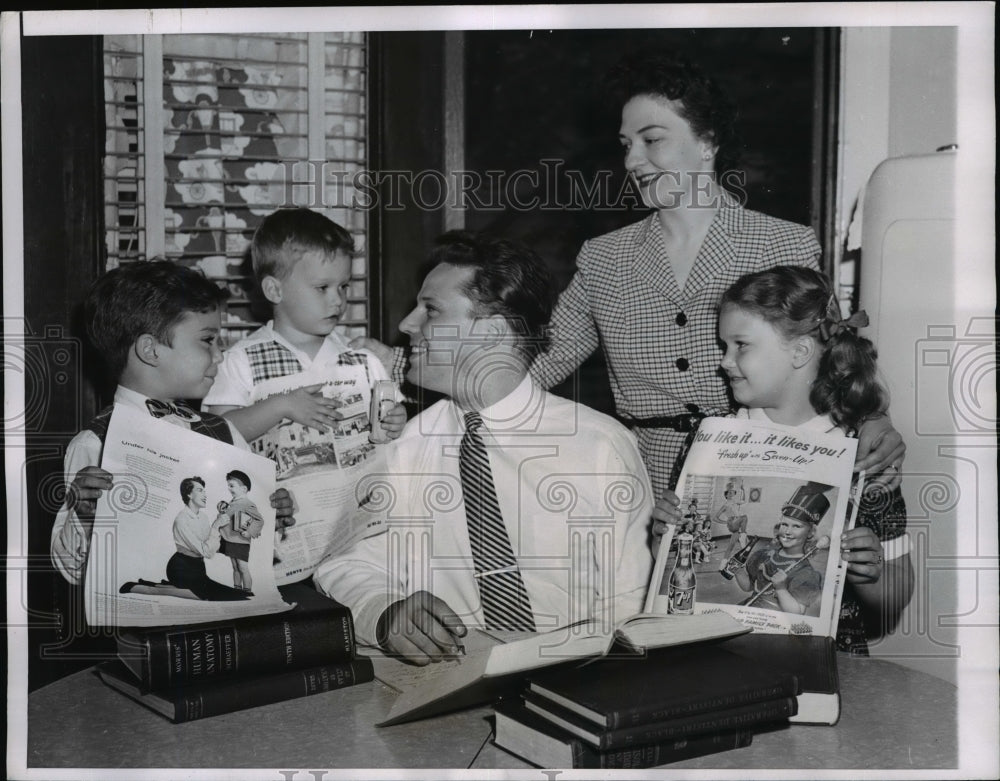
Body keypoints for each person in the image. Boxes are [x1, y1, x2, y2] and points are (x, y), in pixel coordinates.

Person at [351, 52, 905, 500]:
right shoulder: (604, 257)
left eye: (652, 138)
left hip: (758, 471)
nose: (633, 160)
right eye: (625, 145)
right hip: (640, 482)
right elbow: (538, 362)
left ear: (707, 143)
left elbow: (833, 358)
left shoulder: (784, 242)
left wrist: (874, 420)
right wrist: (399, 373)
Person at [313, 231, 654, 665]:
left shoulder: (600, 447)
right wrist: (385, 610)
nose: (407, 325)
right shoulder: (404, 448)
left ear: (491, 332)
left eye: (430, 310)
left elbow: (634, 602)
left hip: (581, 682)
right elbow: (344, 561)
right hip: (448, 685)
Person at [653, 265, 915, 654]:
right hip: (716, 657)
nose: (724, 361)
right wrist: (663, 539)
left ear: (800, 352)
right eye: (724, 346)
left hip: (826, 661)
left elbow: (899, 591)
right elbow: (671, 564)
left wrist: (871, 573)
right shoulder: (706, 438)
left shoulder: (864, 455)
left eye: (740, 345)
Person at [50, 260, 294, 587]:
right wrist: (81, 514)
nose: (220, 355)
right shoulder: (94, 444)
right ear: (150, 350)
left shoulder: (223, 432)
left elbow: (246, 537)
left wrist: (271, 513)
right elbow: (71, 572)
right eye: (208, 340)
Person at [203, 207, 405, 446]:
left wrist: (397, 419)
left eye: (343, 286)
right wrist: (281, 406)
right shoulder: (239, 362)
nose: (337, 300)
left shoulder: (362, 359)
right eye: (322, 288)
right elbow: (217, 435)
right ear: (275, 290)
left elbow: (392, 411)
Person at [119, 476, 248, 601]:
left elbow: (209, 546)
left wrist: (224, 528)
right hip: (181, 568)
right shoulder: (181, 520)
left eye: (204, 490)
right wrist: (215, 527)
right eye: (200, 490)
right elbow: (207, 552)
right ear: (189, 495)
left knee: (234, 594)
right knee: (207, 595)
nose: (205, 494)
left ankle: (166, 586)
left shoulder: (203, 517)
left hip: (198, 568)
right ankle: (141, 588)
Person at [734, 483, 828, 615]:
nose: (787, 531)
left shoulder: (806, 573)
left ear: (810, 532)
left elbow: (797, 612)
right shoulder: (763, 555)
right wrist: (738, 572)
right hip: (749, 610)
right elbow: (748, 587)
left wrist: (781, 589)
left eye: (796, 526)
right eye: (784, 524)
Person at [215, 469, 266, 593]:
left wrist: (249, 532)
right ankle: (237, 590)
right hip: (229, 539)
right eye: (228, 485)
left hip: (240, 541)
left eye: (232, 485)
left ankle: (247, 591)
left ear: (243, 489)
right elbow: (226, 518)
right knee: (235, 567)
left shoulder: (247, 503)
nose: (229, 488)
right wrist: (221, 513)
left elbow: (259, 520)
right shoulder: (232, 502)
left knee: (243, 567)